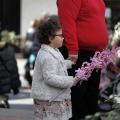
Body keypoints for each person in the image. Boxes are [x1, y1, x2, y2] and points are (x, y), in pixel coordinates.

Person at [57, 0, 109, 120]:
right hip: (79, 52)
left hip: (95, 53)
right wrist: (73, 49)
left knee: (91, 94)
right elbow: (67, 21)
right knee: (77, 95)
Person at [31, 19, 79, 120]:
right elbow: (50, 77)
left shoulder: (53, 51)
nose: (63, 38)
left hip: (52, 96)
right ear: (51, 38)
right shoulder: (48, 56)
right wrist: (70, 80)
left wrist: (68, 63)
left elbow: (57, 64)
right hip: (49, 98)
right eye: (60, 36)